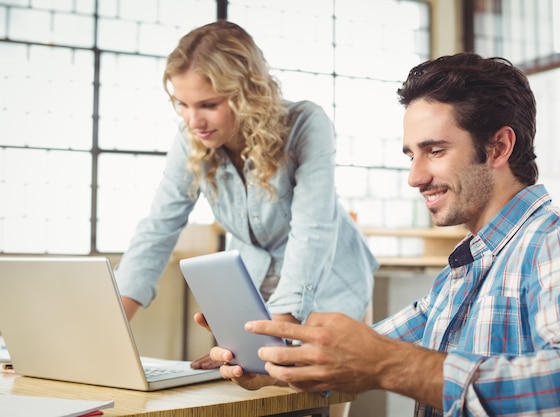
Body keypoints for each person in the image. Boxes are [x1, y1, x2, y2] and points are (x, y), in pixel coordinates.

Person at [208, 52, 560, 416]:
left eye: (436, 151)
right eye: (411, 155)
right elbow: (356, 357)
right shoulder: (456, 280)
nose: (415, 176)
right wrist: (264, 362)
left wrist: (392, 365)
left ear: (498, 147)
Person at [113, 20, 377, 374]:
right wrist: (113, 327)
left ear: (245, 93)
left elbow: (312, 231)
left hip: (329, 289)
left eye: (208, 104)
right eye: (182, 104)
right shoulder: (191, 136)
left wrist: (271, 340)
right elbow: (158, 229)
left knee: (314, 405)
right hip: (253, 299)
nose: (194, 120)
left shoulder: (305, 124)